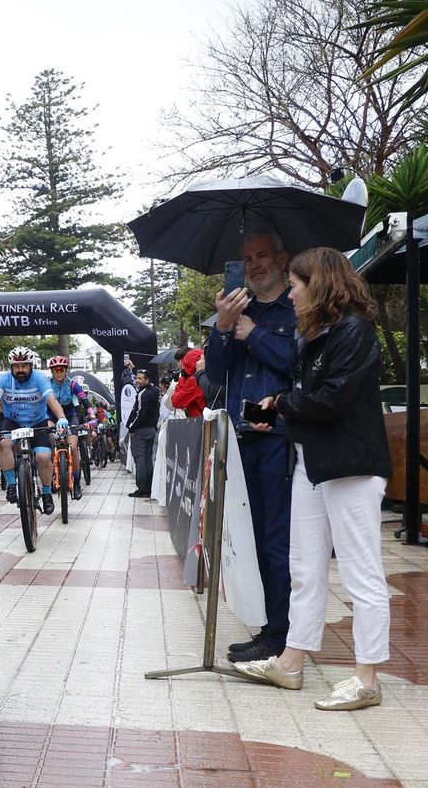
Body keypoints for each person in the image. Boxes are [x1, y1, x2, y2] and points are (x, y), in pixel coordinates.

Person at [231, 247, 392, 711]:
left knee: (362, 573)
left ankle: (367, 678)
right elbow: (311, 398)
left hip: (351, 468)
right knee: (304, 570)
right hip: (309, 462)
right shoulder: (314, 335)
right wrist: (278, 409)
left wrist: (280, 405)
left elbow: (333, 400)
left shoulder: (355, 332)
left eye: (297, 285)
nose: (293, 294)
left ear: (317, 285)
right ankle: (291, 661)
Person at [206, 228, 298, 664]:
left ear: (283, 259)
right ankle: (269, 628)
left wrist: (252, 333)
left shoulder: (297, 306)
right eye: (247, 258)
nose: (255, 264)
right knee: (253, 538)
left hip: (279, 436)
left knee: (278, 541)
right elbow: (215, 376)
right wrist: (223, 329)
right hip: (241, 435)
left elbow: (297, 363)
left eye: (263, 255)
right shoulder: (236, 309)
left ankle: (281, 635)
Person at [0, 347, 70, 514]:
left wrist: (61, 417)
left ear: (31, 365)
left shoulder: (40, 379)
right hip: (12, 421)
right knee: (3, 443)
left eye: (24, 366)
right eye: (16, 366)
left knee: (43, 456)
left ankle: (47, 493)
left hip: (37, 422)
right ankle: (12, 485)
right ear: (11, 366)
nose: (20, 370)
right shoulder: (4, 380)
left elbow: (51, 400)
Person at [46, 356, 87, 500]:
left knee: (73, 447)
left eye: (62, 369)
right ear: (52, 371)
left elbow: (84, 399)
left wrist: (91, 413)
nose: (59, 372)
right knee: (50, 441)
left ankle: (76, 483)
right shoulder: (46, 384)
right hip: (51, 416)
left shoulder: (73, 384)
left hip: (70, 416)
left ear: (66, 370)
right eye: (56, 369)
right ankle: (52, 475)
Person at [125, 368, 159, 498]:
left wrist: (132, 427)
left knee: (140, 459)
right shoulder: (154, 391)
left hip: (141, 431)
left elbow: (140, 414)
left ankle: (142, 488)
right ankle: (149, 488)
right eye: (136, 378)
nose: (137, 381)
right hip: (151, 429)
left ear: (147, 380)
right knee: (147, 459)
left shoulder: (143, 394)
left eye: (140, 379)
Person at [168, 349, 207, 418]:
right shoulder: (207, 376)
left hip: (198, 421)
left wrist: (182, 378)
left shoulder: (193, 380)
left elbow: (176, 401)